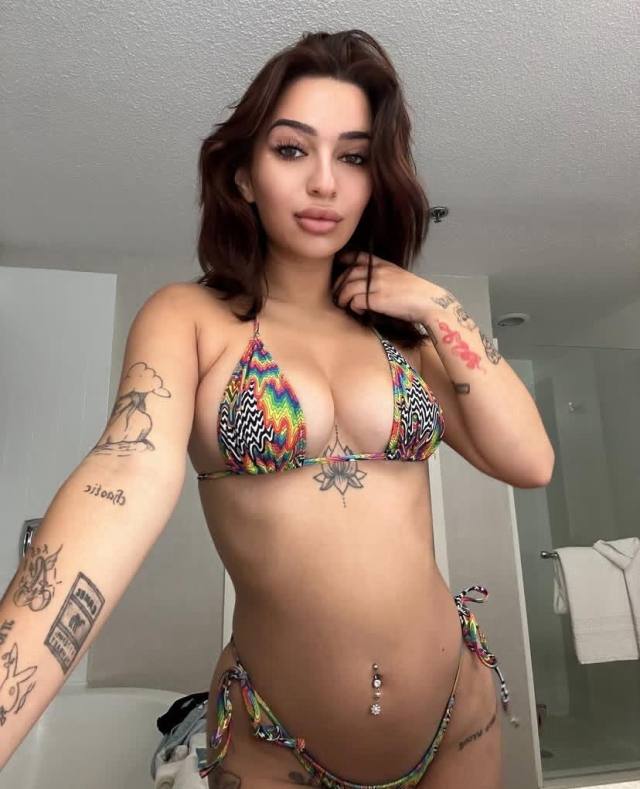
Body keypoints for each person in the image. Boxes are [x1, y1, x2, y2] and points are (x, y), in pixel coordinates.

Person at [0, 28, 554, 789]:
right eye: (292, 150)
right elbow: (123, 474)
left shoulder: (404, 333)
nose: (325, 183)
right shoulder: (189, 317)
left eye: (354, 157)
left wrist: (436, 304)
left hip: (456, 717)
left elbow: (531, 460)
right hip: (274, 739)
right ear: (243, 176)